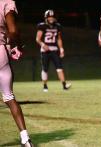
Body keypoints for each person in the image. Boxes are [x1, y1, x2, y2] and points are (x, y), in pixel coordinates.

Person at [0, 0, 34, 146]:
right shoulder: (6, 2)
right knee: (9, 97)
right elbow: (13, 30)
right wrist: (17, 45)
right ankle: (25, 139)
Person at [36, 10, 71, 92]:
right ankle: (45, 86)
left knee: (59, 67)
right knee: (45, 68)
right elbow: (37, 39)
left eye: (52, 17)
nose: (51, 19)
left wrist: (61, 48)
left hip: (54, 50)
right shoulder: (42, 26)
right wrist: (43, 45)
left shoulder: (57, 26)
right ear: (46, 18)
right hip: (45, 51)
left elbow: (59, 38)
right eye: (49, 17)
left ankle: (64, 85)